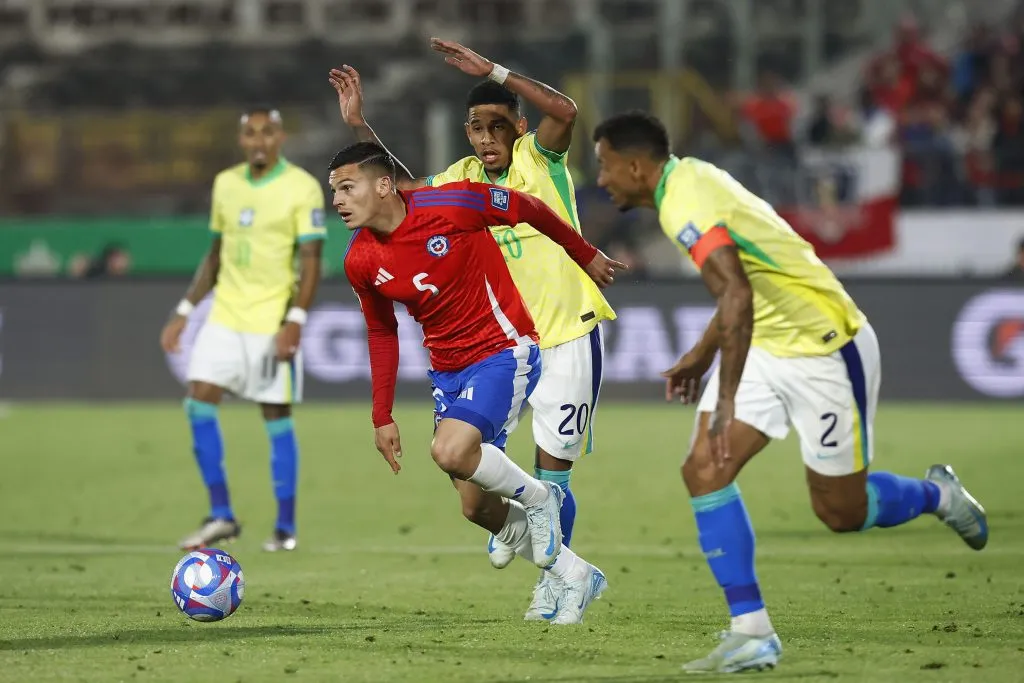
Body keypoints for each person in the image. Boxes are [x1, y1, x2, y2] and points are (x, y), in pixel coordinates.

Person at [591, 110, 989, 673]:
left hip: (826, 348)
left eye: (605, 165)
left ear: (635, 166)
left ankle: (937, 495)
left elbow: (736, 294)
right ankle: (752, 632)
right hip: (765, 344)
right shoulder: (688, 180)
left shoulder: (684, 201)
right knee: (704, 468)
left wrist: (725, 395)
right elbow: (745, 288)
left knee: (841, 511)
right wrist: (702, 355)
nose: (601, 179)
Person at [329, 39, 617, 621]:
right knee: (473, 498)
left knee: (551, 476)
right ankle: (561, 564)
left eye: (497, 126)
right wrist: (359, 125)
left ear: (519, 127)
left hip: (560, 331)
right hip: (479, 345)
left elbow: (566, 112)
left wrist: (495, 71)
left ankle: (553, 581)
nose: (486, 138)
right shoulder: (457, 181)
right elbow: (397, 190)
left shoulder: (540, 158)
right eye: (476, 128)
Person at [160, 107, 326, 553]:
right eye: (250, 133)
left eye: (267, 133)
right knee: (198, 401)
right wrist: (184, 310)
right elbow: (216, 254)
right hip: (225, 317)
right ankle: (221, 516)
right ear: (241, 140)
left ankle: (285, 527)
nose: (258, 141)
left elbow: (312, 261)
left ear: (280, 137)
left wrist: (295, 320)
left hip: (271, 321)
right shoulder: (226, 184)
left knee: (275, 416)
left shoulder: (301, 187)